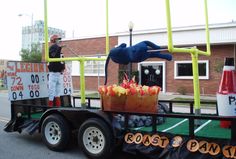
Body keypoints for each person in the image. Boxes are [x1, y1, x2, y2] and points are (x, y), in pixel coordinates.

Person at [48, 34, 65, 107]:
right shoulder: (53, 47)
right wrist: (59, 48)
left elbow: (62, 60)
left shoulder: (58, 49)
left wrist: (63, 67)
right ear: (54, 40)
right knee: (52, 91)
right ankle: (50, 107)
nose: (59, 40)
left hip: (59, 73)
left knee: (58, 92)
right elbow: (53, 56)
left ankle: (57, 107)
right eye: (58, 39)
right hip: (53, 73)